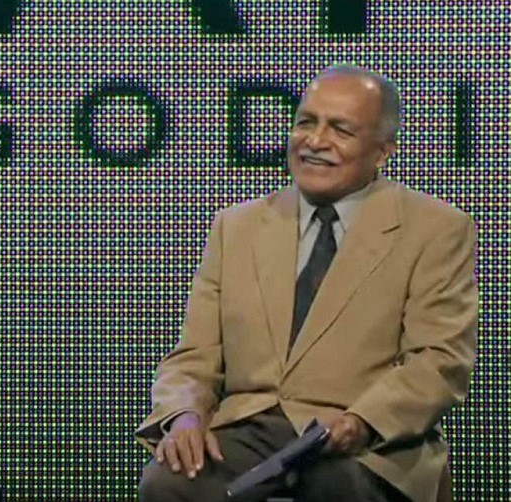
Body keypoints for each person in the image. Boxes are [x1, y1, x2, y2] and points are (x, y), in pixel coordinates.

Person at [136, 65, 478, 502]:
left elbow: (439, 360)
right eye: (306, 123)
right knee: (168, 483)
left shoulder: (435, 229)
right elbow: (194, 355)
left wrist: (362, 421)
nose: (315, 141)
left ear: (382, 150)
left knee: (339, 486)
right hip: (249, 430)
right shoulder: (236, 226)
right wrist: (182, 415)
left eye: (340, 129)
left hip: (368, 439)